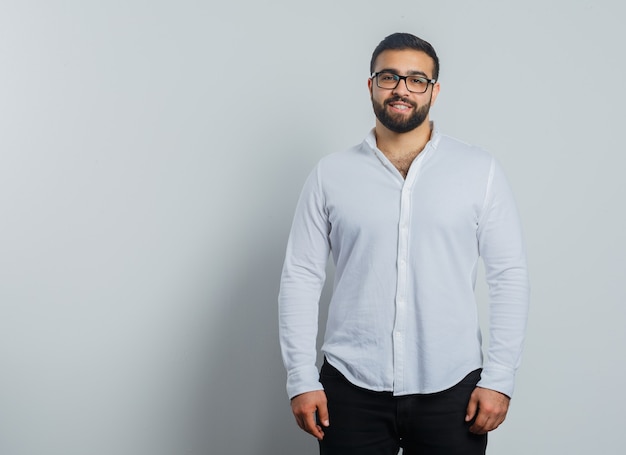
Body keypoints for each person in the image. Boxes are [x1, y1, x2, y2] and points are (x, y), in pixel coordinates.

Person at [278, 32, 529, 455]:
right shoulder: (330, 174)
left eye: (416, 79)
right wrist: (301, 378)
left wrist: (500, 378)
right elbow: (301, 277)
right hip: (350, 385)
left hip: (453, 387)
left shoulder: (478, 170)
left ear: (434, 90)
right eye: (389, 76)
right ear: (371, 84)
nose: (401, 89)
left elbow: (509, 276)